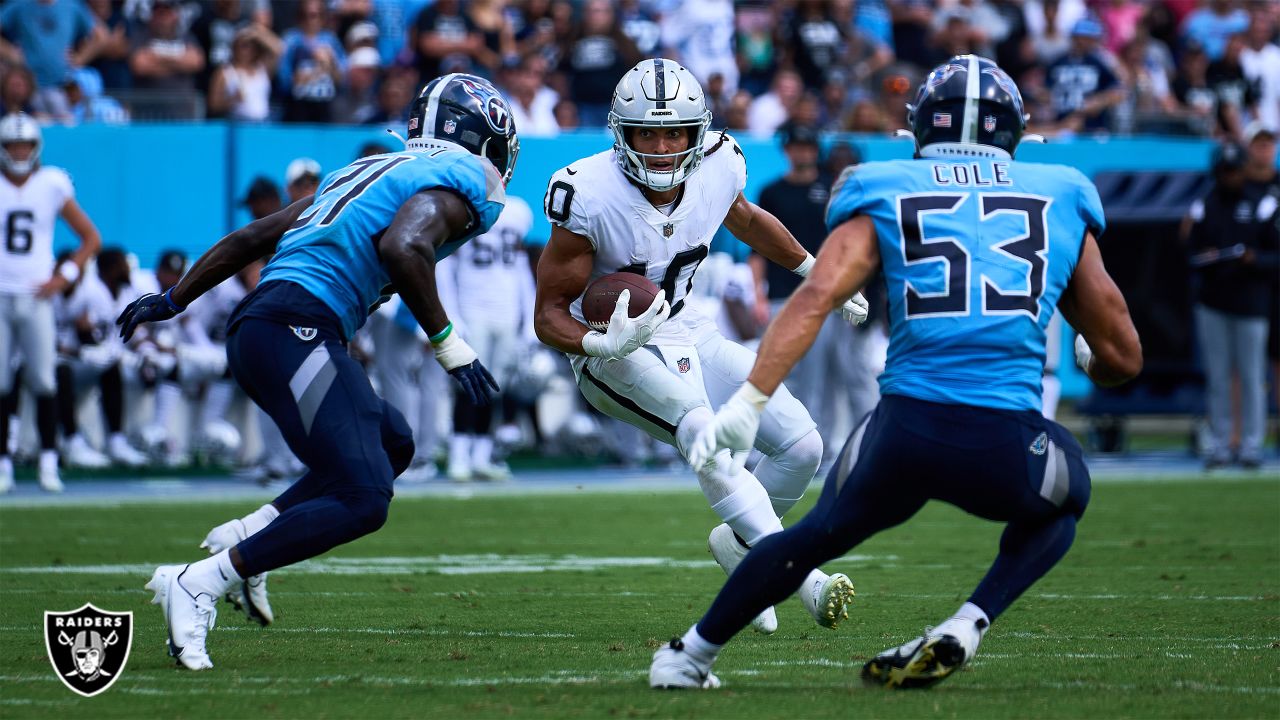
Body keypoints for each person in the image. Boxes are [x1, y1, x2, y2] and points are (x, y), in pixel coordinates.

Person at [650, 55, 1143, 690]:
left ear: (922, 128)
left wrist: (750, 402)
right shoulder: (1062, 192)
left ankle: (688, 655)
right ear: (1014, 132)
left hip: (902, 433)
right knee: (1067, 496)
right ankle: (967, 623)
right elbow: (1124, 357)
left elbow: (815, 296)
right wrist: (1091, 359)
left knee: (815, 536)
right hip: (1004, 438)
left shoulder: (882, 183)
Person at [118, 73, 518, 670]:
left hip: (266, 329)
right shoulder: (457, 185)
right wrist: (448, 343)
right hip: (295, 328)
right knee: (365, 498)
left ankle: (247, 533)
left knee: (393, 441)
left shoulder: (365, 172)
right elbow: (402, 248)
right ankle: (202, 580)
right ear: (486, 142)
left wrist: (174, 300)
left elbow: (252, 237)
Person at [535, 59, 866, 637]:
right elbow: (546, 314)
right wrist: (597, 340)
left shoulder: (719, 163)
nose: (662, 147)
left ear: (698, 133)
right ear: (621, 133)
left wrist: (816, 273)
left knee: (802, 445)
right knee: (702, 431)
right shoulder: (585, 192)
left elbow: (743, 219)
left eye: (675, 133)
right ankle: (793, 573)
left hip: (690, 327)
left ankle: (738, 546)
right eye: (647, 133)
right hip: (615, 352)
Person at [0, 113, 103, 494]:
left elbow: (91, 238)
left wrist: (64, 278)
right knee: (1, 383)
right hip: (1, 295)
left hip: (36, 297)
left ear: (36, 148)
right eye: (12, 145)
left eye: (24, 145)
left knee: (44, 379)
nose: (19, 152)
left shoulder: (51, 183)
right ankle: (3, 464)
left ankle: (48, 460)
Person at [1186, 141, 1277, 470]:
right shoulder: (1205, 204)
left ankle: (1252, 446)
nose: (1230, 177)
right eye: (1225, 171)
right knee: (1218, 378)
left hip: (1252, 303)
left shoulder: (1263, 204)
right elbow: (1190, 251)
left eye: (1234, 170)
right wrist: (1207, 257)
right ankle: (1221, 444)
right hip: (1213, 302)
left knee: (1252, 377)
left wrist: (1254, 259)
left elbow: (1275, 256)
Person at [439, 195, 535, 481]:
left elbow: (519, 269)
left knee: (495, 389)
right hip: (473, 310)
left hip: (506, 311)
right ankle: (459, 455)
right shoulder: (464, 208)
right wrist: (452, 315)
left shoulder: (517, 210)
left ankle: (481, 456)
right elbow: (445, 267)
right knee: (467, 386)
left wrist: (528, 319)